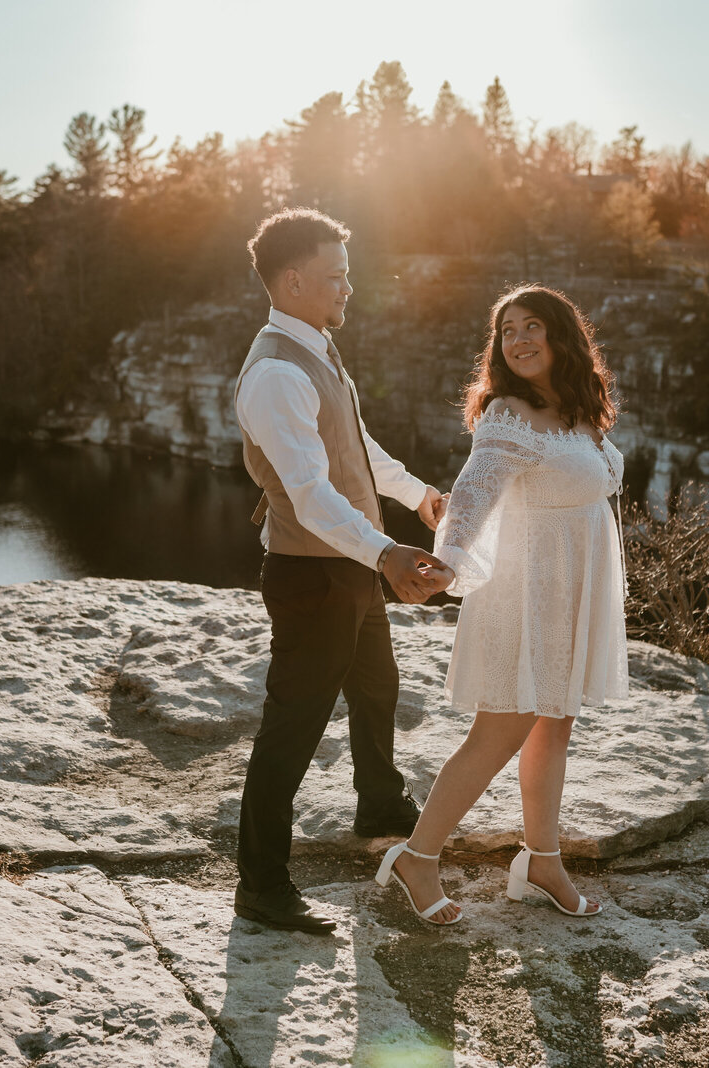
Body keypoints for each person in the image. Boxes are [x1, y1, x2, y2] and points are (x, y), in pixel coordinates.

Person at [374, 284, 627, 925]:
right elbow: (472, 494)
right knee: (499, 732)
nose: (518, 339)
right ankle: (418, 856)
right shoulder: (507, 414)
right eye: (507, 331)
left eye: (532, 325)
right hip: (527, 594)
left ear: (562, 336)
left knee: (554, 725)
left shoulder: (577, 411)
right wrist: (448, 561)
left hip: (572, 591)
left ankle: (541, 861)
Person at [233, 208, 454, 935]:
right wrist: (387, 555)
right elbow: (310, 495)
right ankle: (261, 888)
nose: (348, 290)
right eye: (336, 277)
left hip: (351, 571)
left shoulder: (317, 349)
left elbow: (356, 449)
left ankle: (381, 804)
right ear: (292, 281)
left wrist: (416, 493)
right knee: (291, 731)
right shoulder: (273, 373)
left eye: (349, 277)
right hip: (313, 578)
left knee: (377, 686)